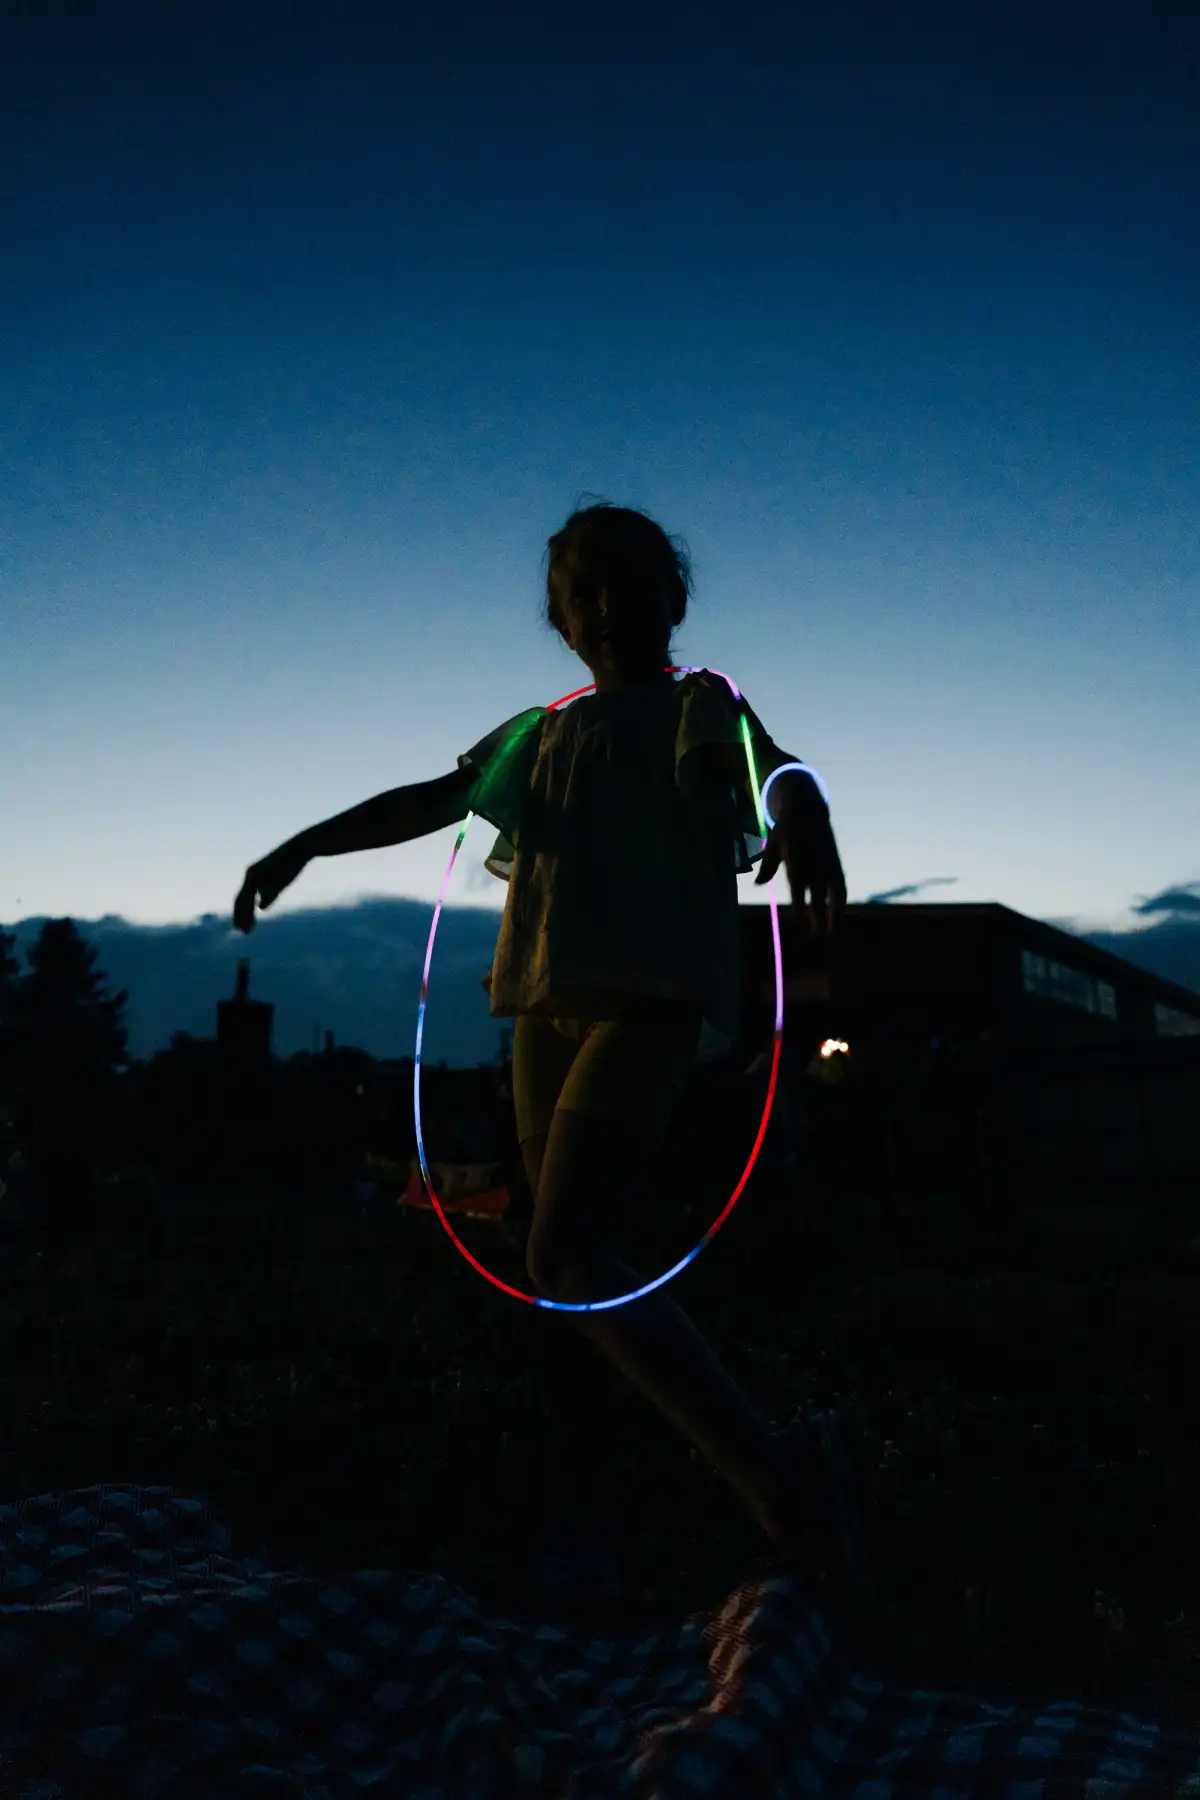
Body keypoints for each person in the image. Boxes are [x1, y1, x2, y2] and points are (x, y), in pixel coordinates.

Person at [232, 501, 858, 1611]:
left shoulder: (695, 706)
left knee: (567, 1251)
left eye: (630, 584)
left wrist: (801, 806)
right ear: (560, 621)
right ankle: (591, 1508)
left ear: (675, 596)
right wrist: (304, 842)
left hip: (649, 998)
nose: (610, 609)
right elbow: (432, 799)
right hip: (546, 1008)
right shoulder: (537, 731)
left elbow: (780, 763)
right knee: (557, 1265)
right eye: (586, 595)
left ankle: (779, 1478)